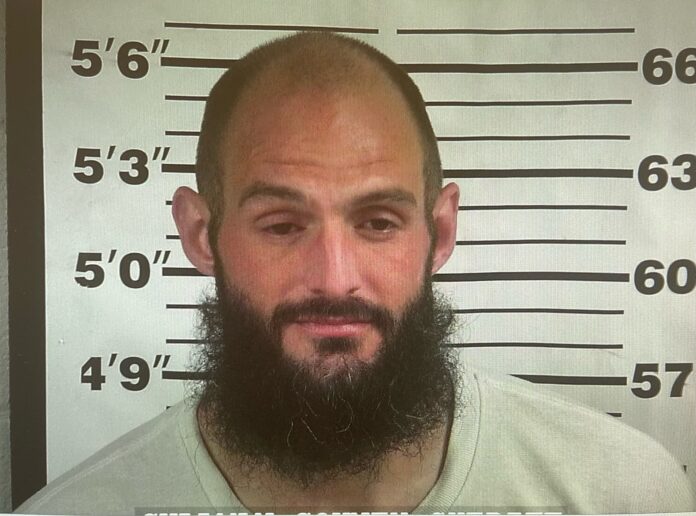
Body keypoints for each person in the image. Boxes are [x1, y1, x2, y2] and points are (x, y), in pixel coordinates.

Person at [18, 32, 695, 515]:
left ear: (441, 232)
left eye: (377, 222)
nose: (335, 278)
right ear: (201, 235)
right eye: (282, 225)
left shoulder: (625, 493)